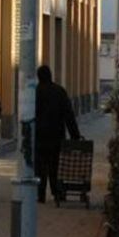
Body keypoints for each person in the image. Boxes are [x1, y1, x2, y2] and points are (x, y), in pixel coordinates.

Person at [35, 65, 81, 203]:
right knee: (55, 165)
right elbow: (69, 115)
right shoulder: (59, 91)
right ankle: (57, 192)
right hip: (56, 136)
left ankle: (41, 194)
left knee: (40, 167)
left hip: (40, 137)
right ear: (50, 75)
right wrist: (75, 135)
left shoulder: (36, 92)